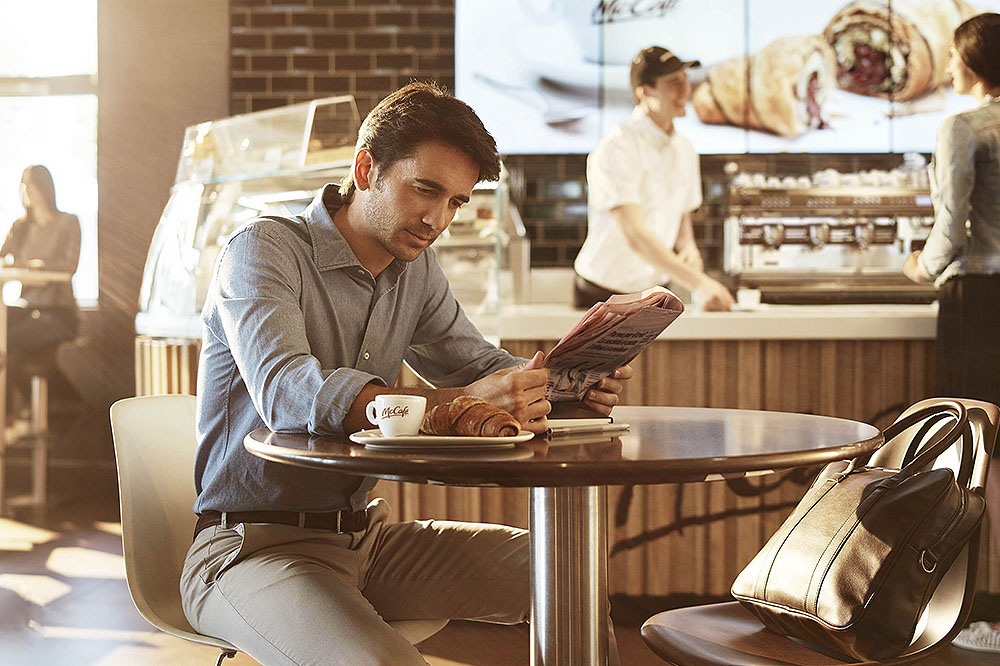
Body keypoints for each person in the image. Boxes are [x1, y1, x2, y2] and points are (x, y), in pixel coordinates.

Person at [180, 81, 631, 665]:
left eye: (457, 202)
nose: (438, 218)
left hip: (367, 541)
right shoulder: (262, 250)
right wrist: (454, 405)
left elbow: (476, 363)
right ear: (366, 168)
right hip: (250, 549)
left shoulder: (414, 270)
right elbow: (286, 391)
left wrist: (569, 386)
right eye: (426, 189)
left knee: (566, 576)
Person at [902, 12, 1000, 654]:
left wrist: (919, 267)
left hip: (980, 299)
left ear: (970, 65)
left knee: (975, 454)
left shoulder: (963, 126)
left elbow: (951, 227)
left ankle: (975, 611)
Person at [574, 46, 735, 311]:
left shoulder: (684, 148)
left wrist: (689, 248)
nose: (685, 91)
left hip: (656, 289)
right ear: (644, 92)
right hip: (604, 292)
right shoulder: (617, 147)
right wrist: (700, 283)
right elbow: (634, 234)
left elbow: (681, 214)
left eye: (685, 81)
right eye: (673, 83)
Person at [1, 165, 81, 419]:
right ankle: (17, 413)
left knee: (8, 343)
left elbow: (69, 266)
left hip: (58, 313)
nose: (25, 191)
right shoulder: (20, 227)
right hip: (27, 308)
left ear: (44, 187)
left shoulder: (68, 222)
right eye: (22, 185)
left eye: (30, 184)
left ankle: (25, 411)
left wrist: (33, 266)